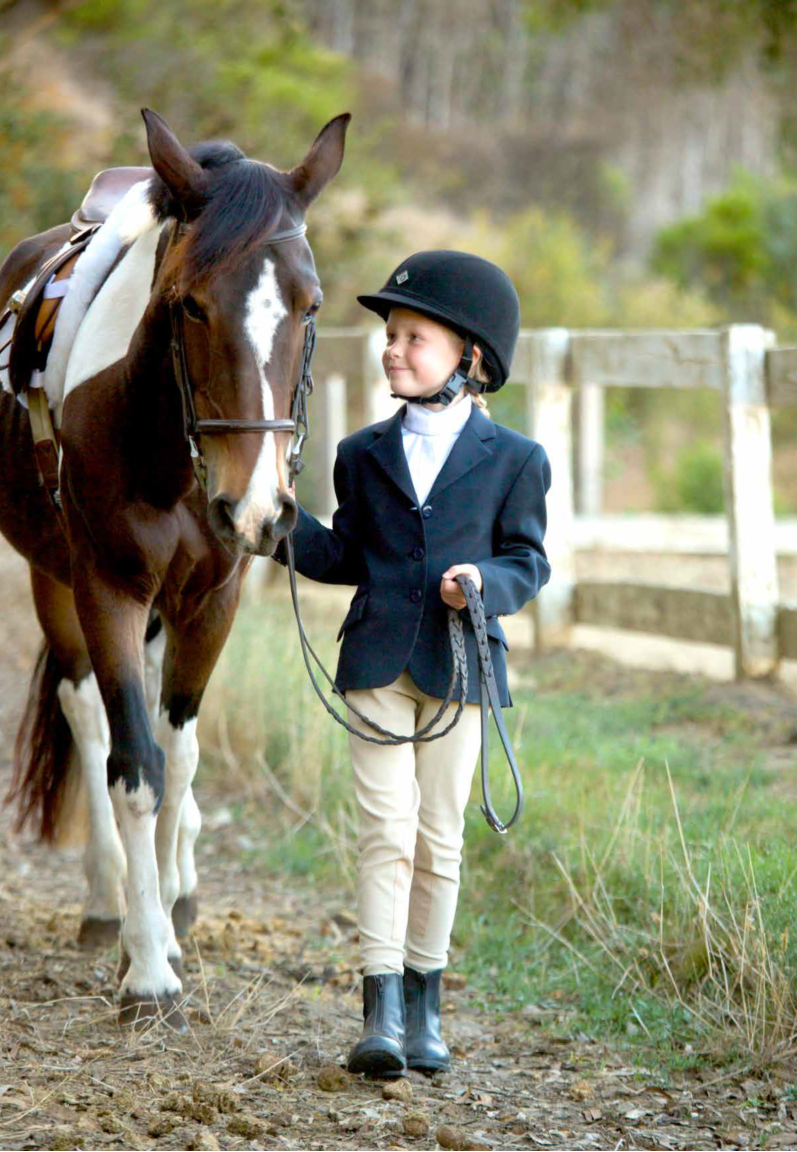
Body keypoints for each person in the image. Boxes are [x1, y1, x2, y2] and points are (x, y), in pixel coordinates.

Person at [276, 250, 551, 1077]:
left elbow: (527, 562)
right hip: (375, 662)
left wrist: (485, 584)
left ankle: (427, 1007)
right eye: (389, 335)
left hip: (460, 664)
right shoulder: (361, 454)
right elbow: (346, 555)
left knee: (439, 839)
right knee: (383, 835)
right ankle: (381, 1012)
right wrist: (280, 526)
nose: (391, 348)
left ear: (468, 357)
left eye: (412, 336)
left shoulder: (516, 460)